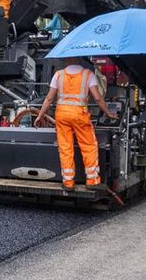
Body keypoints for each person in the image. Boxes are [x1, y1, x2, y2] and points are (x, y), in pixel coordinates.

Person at [34, 57, 118, 190]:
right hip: (80, 114)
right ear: (78, 60)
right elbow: (97, 98)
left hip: (62, 114)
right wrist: (108, 113)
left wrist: (40, 115)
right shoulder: (88, 75)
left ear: (66, 60)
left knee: (65, 147)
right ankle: (92, 180)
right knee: (88, 145)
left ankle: (68, 182)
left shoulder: (59, 75)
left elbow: (49, 98)